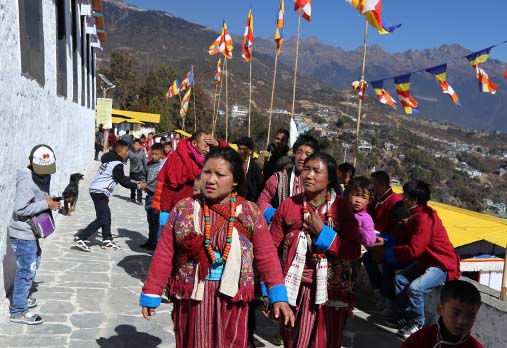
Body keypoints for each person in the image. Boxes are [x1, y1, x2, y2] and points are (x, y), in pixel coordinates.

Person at [140, 147, 295, 348]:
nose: (210, 180)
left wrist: (278, 296)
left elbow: (267, 257)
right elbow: (164, 254)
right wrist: (152, 291)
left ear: (235, 181)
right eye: (207, 172)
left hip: (233, 297)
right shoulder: (183, 208)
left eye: (220, 174)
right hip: (191, 296)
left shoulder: (250, 213)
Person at [269, 152, 361, 347]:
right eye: (307, 170)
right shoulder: (288, 206)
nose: (309, 175)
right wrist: (269, 291)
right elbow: (271, 250)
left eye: (316, 171)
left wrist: (324, 233)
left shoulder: (342, 209)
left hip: (329, 294)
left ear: (329, 178)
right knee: (292, 341)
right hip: (294, 290)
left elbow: (353, 250)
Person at [373, 180, 461, 339]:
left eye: (405, 196)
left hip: (442, 264)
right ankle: (405, 317)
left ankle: (418, 323)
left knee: (415, 288)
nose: (402, 198)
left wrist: (388, 253)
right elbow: (406, 237)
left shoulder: (424, 219)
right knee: (400, 279)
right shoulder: (418, 214)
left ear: (413, 200)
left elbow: (414, 250)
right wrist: (386, 241)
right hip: (428, 260)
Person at [8, 145, 61, 324]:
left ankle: (20, 298)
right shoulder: (26, 181)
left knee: (34, 263)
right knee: (26, 270)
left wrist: (49, 201)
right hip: (23, 234)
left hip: (31, 233)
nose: (45, 174)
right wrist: (46, 204)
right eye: (42, 170)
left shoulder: (43, 175)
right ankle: (18, 311)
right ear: (31, 163)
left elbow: (38, 199)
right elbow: (21, 209)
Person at [74, 140, 147, 252]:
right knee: (102, 218)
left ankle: (107, 239)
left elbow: (120, 177)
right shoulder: (117, 164)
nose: (127, 153)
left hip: (97, 190)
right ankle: (81, 237)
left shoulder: (109, 162)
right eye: (126, 151)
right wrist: (138, 187)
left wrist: (133, 181)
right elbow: (123, 182)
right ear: (119, 151)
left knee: (106, 216)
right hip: (100, 192)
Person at [159, 131, 228, 219]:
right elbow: (168, 185)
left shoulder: (208, 159)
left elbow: (230, 156)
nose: (208, 150)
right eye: (205, 146)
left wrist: (217, 143)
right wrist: (165, 211)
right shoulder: (178, 157)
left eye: (209, 147)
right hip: (179, 207)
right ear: (194, 143)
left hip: (201, 207)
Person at [257, 134, 319, 224]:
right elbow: (262, 202)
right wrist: (276, 215)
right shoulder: (277, 179)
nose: (302, 157)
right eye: (299, 152)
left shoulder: (319, 182)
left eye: (307, 154)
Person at [363, 170, 403, 308]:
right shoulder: (378, 200)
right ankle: (379, 290)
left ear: (381, 185)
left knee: (387, 263)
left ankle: (387, 297)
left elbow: (398, 230)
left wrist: (385, 244)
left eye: (373, 185)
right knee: (368, 258)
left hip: (391, 243)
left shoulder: (395, 201)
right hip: (379, 241)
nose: (371, 189)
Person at [401, 280, 483, 347]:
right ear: (440, 309)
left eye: (470, 315)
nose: (462, 321)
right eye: (456, 313)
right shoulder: (421, 339)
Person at [140, 143, 166, 251]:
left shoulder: (163, 165)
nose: (154, 156)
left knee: (156, 220)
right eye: (152, 154)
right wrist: (142, 183)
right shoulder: (148, 164)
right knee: (150, 220)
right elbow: (143, 176)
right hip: (149, 195)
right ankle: (150, 240)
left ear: (161, 155)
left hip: (158, 196)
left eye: (156, 154)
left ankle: (155, 242)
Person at [345, 176, 376, 248]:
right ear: (348, 194)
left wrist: (359, 229)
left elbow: (371, 241)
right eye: (355, 195)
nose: (358, 200)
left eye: (364, 197)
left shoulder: (366, 218)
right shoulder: (342, 210)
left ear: (368, 201)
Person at [236, 137, 264, 202]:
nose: (239, 151)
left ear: (250, 151)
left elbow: (260, 188)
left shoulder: (255, 168)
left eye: (243, 149)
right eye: (239, 148)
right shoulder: (234, 165)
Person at [128, 140, 147, 204]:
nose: (137, 146)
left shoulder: (142, 153)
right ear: (133, 145)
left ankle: (139, 199)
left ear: (140, 146)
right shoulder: (129, 152)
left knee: (139, 185)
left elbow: (145, 163)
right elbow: (125, 160)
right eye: (135, 145)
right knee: (132, 185)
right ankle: (132, 197)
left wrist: (146, 171)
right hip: (132, 171)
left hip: (140, 171)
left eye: (138, 145)